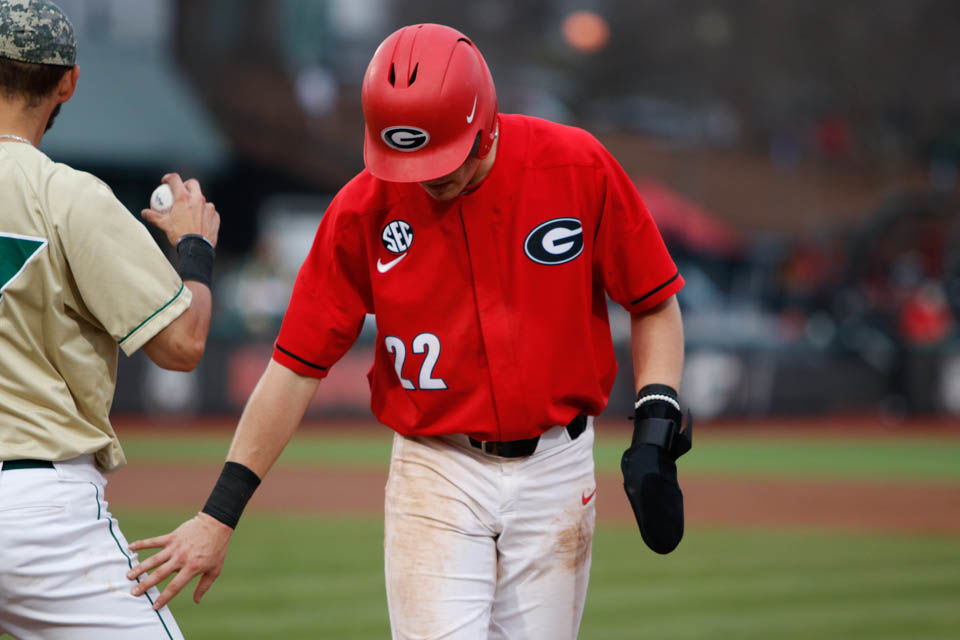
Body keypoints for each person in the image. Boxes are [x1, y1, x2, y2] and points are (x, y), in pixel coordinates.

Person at [127, 23, 691, 639]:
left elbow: (654, 300)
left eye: (438, 158)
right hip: (436, 469)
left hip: (557, 467)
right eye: (407, 157)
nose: (423, 176)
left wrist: (657, 420)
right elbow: (294, 369)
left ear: (485, 126)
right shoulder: (362, 209)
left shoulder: (575, 165)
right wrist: (220, 514)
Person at [0, 2, 220, 638]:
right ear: (67, 82)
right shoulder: (69, 196)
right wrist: (194, 249)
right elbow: (183, 342)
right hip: (39, 516)